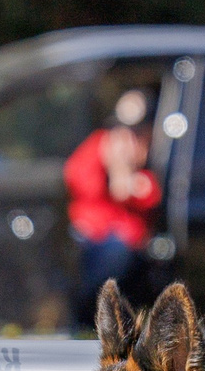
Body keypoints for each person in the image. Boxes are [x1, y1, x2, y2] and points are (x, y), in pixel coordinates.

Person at [65, 89, 161, 330]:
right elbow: (77, 178)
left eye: (137, 132)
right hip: (93, 238)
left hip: (132, 246)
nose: (127, 138)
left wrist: (126, 175)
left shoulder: (154, 159)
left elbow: (148, 198)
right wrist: (110, 164)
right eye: (121, 129)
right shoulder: (98, 146)